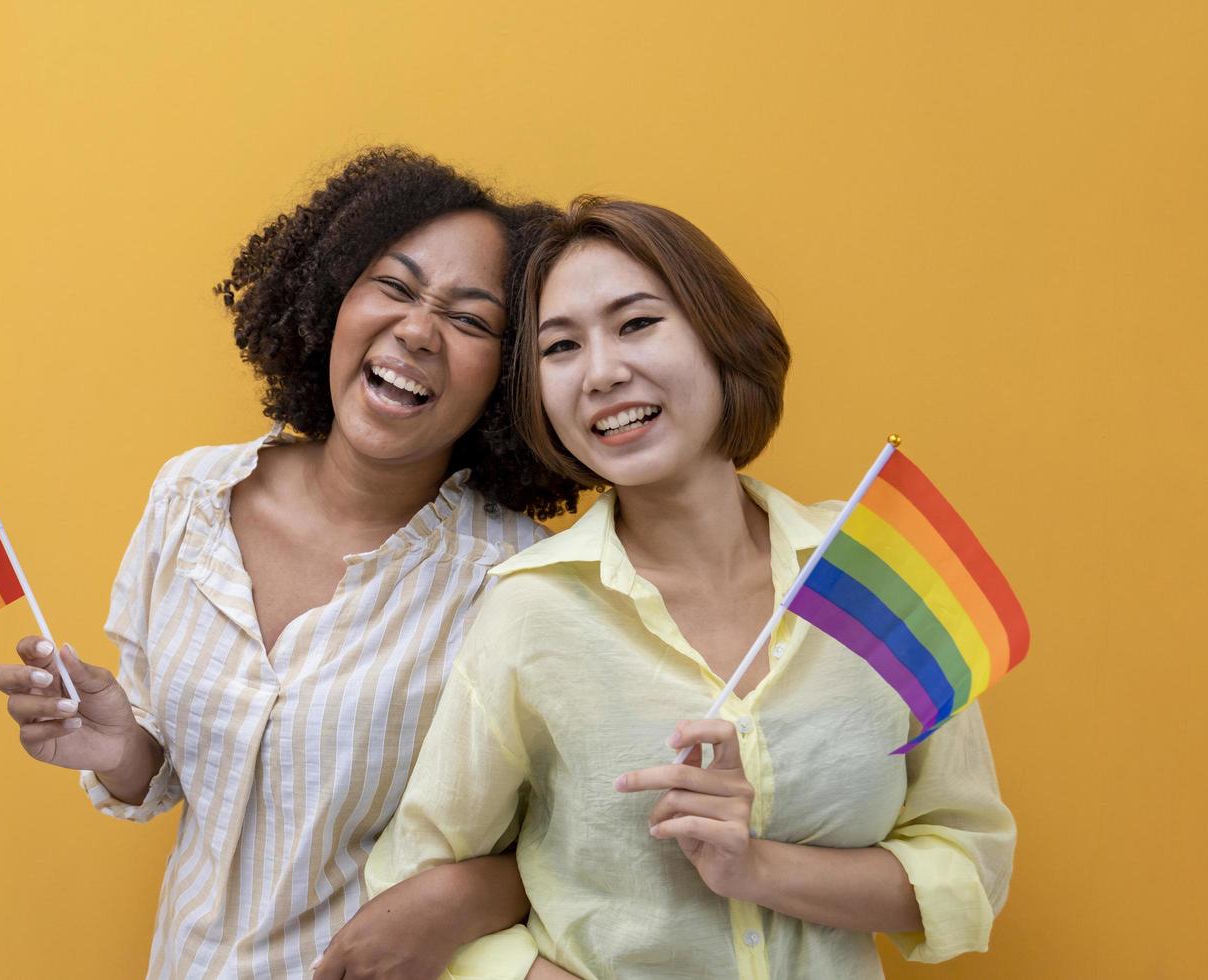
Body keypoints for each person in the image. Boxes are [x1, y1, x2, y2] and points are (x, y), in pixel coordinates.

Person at [366, 197, 1015, 978]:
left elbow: (968, 863)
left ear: (719, 335)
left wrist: (758, 869)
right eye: (562, 346)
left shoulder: (872, 569)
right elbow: (414, 884)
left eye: (637, 323)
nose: (603, 372)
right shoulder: (531, 608)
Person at [0, 147, 581, 978]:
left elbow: (584, 845)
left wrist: (464, 899)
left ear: (509, 375)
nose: (416, 330)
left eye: (471, 320)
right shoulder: (190, 497)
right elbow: (169, 778)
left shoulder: (522, 577)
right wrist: (121, 746)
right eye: (395, 286)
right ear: (333, 297)